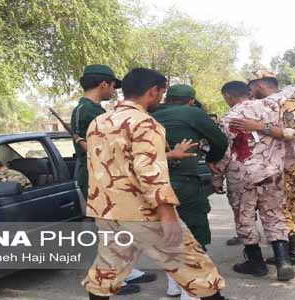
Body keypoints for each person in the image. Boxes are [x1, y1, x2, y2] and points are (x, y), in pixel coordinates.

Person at [82, 68, 227, 300]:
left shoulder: (98, 123)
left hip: (107, 211)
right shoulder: (145, 123)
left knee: (107, 270)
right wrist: (167, 215)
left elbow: (112, 165)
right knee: (194, 266)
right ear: (152, 91)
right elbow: (149, 171)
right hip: (143, 212)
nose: (161, 98)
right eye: (161, 92)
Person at [70, 64, 155, 294]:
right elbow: (99, 148)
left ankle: (126, 271)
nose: (114, 92)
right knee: (111, 229)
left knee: (121, 228)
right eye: (112, 86)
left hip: (108, 176)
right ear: (103, 84)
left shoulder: (94, 110)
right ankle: (114, 280)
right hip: (99, 178)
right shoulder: (88, 111)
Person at [211, 81, 295, 282]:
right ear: (248, 92)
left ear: (229, 97)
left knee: (245, 218)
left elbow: (223, 153)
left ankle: (255, 263)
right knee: (274, 215)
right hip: (273, 173)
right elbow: (294, 89)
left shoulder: (228, 119)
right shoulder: (270, 105)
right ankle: (283, 261)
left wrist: (216, 179)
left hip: (242, 176)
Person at [152, 84, 228, 300]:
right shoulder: (193, 113)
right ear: (191, 100)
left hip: (154, 181)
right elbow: (220, 141)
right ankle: (191, 290)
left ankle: (173, 284)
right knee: (195, 231)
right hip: (184, 181)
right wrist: (212, 159)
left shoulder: (149, 114)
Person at [242, 71, 295, 265]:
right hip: (281, 161)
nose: (249, 89)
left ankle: (293, 253)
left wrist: (257, 126)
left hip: (288, 161)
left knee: (282, 206)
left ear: (260, 84)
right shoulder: (272, 103)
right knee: (289, 205)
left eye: (251, 85)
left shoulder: (287, 104)